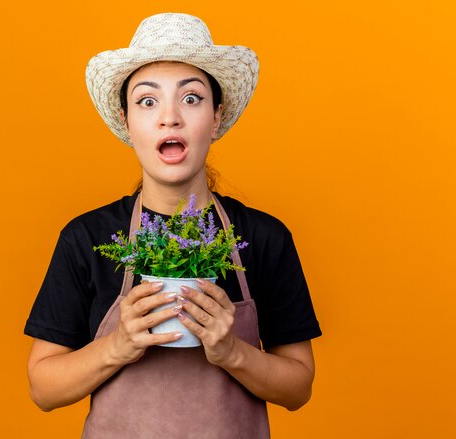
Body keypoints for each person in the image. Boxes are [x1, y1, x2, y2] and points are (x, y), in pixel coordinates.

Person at [24, 12, 322, 438]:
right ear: (127, 122)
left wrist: (231, 352)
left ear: (216, 117)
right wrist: (117, 346)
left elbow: (298, 388)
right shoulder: (86, 237)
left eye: (191, 98)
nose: (169, 118)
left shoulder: (264, 238)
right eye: (147, 101)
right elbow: (42, 388)